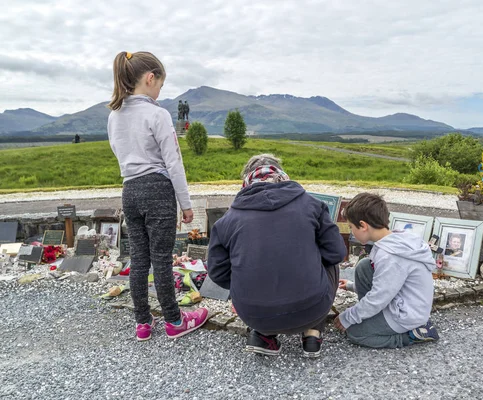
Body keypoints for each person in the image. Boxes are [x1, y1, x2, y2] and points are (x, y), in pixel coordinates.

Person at [107, 51, 208, 341]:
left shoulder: (114, 116)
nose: (159, 91)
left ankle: (143, 323)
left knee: (138, 258)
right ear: (150, 78)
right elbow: (174, 162)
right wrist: (185, 205)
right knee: (162, 259)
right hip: (157, 190)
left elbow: (120, 153)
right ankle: (175, 320)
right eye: (160, 85)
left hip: (130, 190)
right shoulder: (157, 114)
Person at [207, 154, 346, 357]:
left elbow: (217, 272)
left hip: (254, 315)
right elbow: (337, 252)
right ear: (282, 176)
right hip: (312, 308)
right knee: (330, 264)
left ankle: (263, 336)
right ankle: (312, 333)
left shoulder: (228, 220)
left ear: (246, 182)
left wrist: (249, 283)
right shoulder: (311, 204)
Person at [334, 193, 439, 348]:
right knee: (364, 266)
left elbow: (379, 297)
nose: (351, 232)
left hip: (406, 315)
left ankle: (412, 335)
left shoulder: (390, 256)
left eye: (351, 227)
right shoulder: (393, 240)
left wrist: (348, 317)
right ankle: (372, 316)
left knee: (355, 332)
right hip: (401, 300)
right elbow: (385, 284)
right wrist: (351, 286)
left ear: (363, 226)